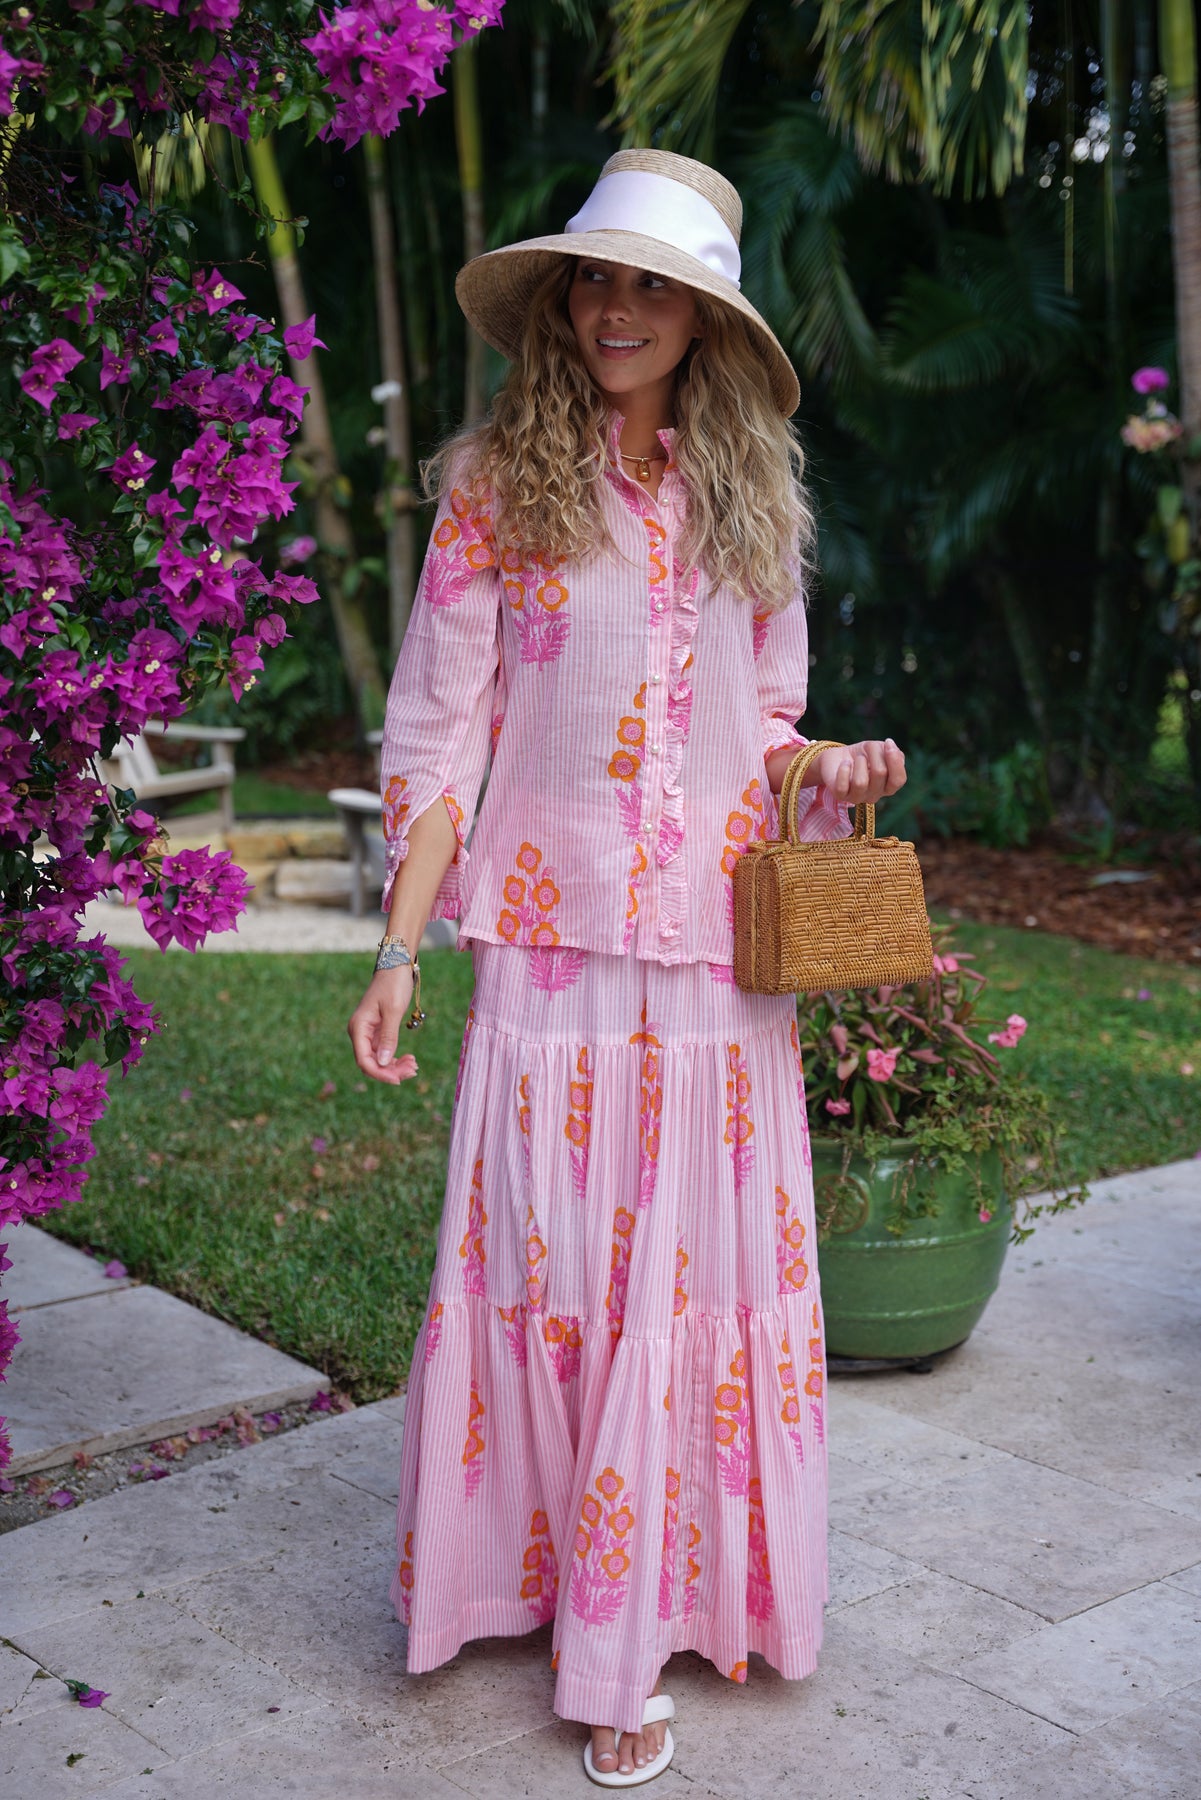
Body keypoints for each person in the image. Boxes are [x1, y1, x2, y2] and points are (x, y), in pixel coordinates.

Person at [348, 148, 906, 1788]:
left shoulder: (753, 506)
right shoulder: (489, 490)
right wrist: (397, 949)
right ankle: (542, 1587)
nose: (614, 307)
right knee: (556, 1277)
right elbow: (436, 741)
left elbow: (772, 725)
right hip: (550, 953)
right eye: (596, 277)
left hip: (718, 964)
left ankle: (636, 1629)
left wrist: (831, 768)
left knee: (684, 1295)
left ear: (702, 319)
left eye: (649, 285)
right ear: (560, 300)